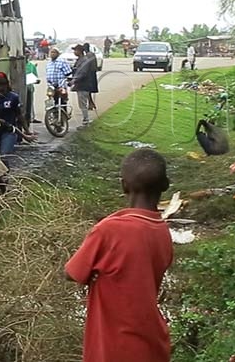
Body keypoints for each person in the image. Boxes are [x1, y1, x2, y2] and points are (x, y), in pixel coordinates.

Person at [65, 149, 173, 362]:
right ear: (165, 185)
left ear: (123, 185)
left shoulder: (109, 230)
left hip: (114, 348)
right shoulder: (162, 231)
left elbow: (71, 273)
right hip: (153, 345)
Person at [71, 44, 99, 127]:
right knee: (82, 103)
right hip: (81, 84)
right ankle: (86, 119)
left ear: (80, 51)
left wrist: (74, 80)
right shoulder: (80, 60)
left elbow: (83, 73)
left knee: (82, 104)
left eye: (75, 50)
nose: (74, 52)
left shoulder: (84, 60)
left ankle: (86, 120)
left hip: (84, 84)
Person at [25, 57, 40, 124]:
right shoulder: (18, 65)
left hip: (29, 87)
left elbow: (35, 77)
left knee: (30, 103)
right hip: (21, 87)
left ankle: (31, 117)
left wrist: (36, 80)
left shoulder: (31, 66)